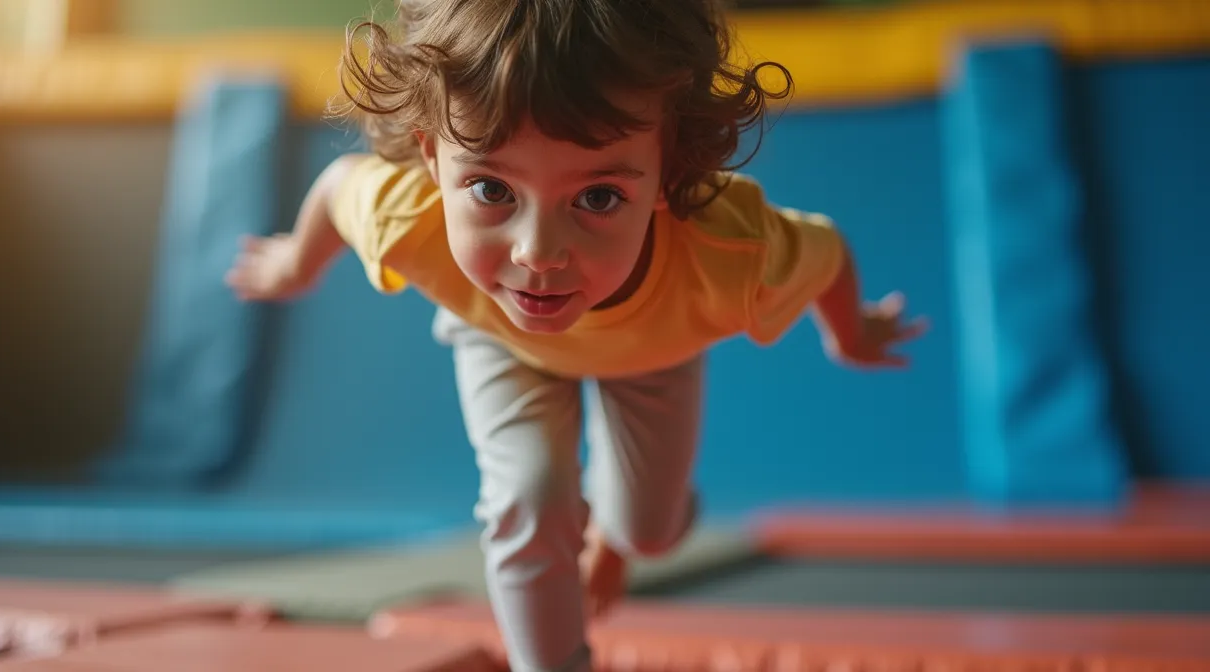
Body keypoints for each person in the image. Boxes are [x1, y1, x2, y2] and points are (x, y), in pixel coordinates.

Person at [226, 1, 925, 669]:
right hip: (500, 339)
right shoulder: (408, 216)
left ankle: (616, 536)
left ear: (669, 173)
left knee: (651, 529)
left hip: (653, 347)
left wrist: (850, 332)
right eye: (493, 190)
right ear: (432, 157)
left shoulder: (727, 255)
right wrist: (293, 264)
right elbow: (340, 188)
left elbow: (825, 253)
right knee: (527, 496)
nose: (537, 252)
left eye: (597, 197)